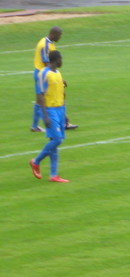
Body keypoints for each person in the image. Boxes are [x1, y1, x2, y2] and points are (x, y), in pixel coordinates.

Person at [30, 50, 70, 183]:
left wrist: (65, 114)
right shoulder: (44, 74)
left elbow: (61, 94)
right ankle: (36, 161)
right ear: (56, 59)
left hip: (59, 109)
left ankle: (54, 175)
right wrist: (45, 116)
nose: (62, 61)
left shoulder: (58, 73)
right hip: (49, 110)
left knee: (55, 141)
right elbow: (40, 95)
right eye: (61, 59)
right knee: (57, 140)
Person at [31, 26, 77, 132]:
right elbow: (47, 63)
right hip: (45, 75)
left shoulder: (49, 43)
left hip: (46, 74)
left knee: (44, 98)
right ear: (54, 34)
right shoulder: (45, 45)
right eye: (59, 35)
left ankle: (36, 126)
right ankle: (63, 122)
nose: (60, 37)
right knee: (56, 95)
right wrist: (59, 78)